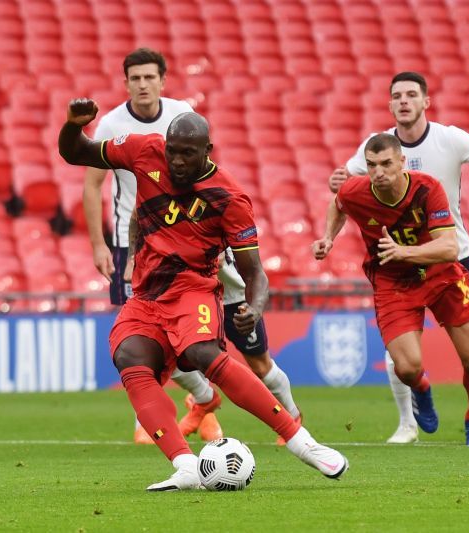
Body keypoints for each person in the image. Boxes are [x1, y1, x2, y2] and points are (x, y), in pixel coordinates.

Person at [60, 99, 348, 491]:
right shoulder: (144, 151)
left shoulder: (229, 198)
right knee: (129, 357)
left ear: (207, 152)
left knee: (200, 353)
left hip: (193, 289)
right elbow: (75, 152)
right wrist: (73, 126)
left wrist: (255, 305)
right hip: (146, 296)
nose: (177, 161)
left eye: (188, 154)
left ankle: (301, 441)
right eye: (173, 152)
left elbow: (254, 272)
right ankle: (185, 466)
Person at [84, 48, 301, 446]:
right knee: (151, 339)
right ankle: (203, 399)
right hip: (139, 247)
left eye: (150, 77)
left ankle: (292, 416)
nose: (143, 84)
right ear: (126, 82)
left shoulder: (182, 115)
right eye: (135, 78)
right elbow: (94, 183)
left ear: (162, 81)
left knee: (254, 355)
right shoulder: (112, 124)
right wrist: (102, 246)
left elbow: (209, 185)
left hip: (201, 248)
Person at [328, 71, 469, 444]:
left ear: (425, 101)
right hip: (398, 266)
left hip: (451, 254)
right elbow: (344, 189)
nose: (404, 101)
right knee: (401, 352)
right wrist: (335, 195)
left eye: (411, 94)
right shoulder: (377, 145)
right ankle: (407, 423)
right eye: (397, 95)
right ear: (389, 104)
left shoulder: (451, 138)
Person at [314, 133, 469, 446]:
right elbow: (338, 202)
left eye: (385, 164)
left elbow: (449, 248)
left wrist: (402, 252)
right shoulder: (357, 190)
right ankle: (421, 388)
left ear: (401, 162)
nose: (378, 171)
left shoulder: (427, 188)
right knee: (407, 368)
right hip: (393, 282)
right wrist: (328, 237)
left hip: (439, 275)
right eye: (371, 165)